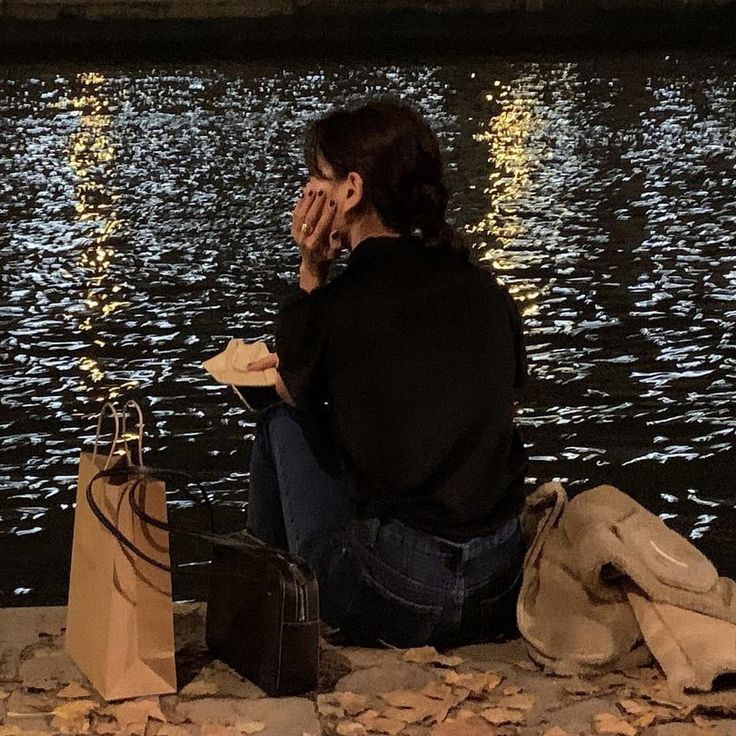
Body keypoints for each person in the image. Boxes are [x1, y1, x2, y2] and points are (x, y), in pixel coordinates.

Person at [245, 100, 528, 647]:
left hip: (397, 590)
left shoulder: (341, 303)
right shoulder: (485, 290)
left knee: (281, 422)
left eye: (316, 176)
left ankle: (268, 611)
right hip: (498, 585)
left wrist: (311, 268)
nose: (306, 190)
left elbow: (299, 387)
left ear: (350, 191)